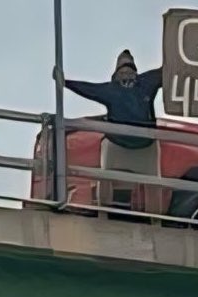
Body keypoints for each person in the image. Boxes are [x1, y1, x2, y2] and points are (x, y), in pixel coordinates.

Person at [54, 50, 164, 214]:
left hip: (140, 145)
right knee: (110, 177)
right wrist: (65, 82)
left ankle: (150, 218)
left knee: (150, 182)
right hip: (124, 143)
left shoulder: (143, 83)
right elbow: (88, 89)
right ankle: (107, 213)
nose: (126, 73)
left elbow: (167, 70)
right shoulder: (135, 84)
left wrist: (65, 82)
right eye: (124, 70)